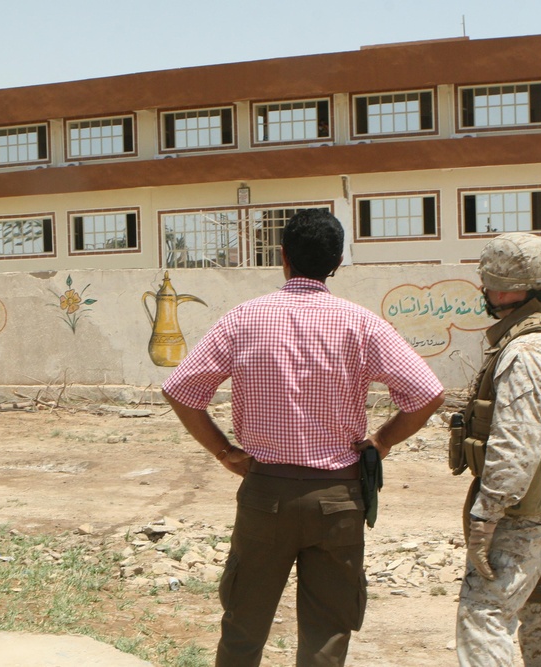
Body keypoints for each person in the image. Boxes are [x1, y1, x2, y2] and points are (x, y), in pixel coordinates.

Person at [162, 208, 445, 667]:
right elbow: (427, 394)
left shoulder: (243, 319)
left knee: (243, 627)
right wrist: (383, 441)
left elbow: (180, 390)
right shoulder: (362, 324)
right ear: (336, 262)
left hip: (264, 493)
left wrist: (224, 451)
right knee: (327, 633)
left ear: (282, 257)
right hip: (338, 498)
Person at [451, 232, 541, 666]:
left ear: (495, 286)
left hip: (528, 505)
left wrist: (486, 517)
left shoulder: (526, 349)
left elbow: (515, 446)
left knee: (483, 611)